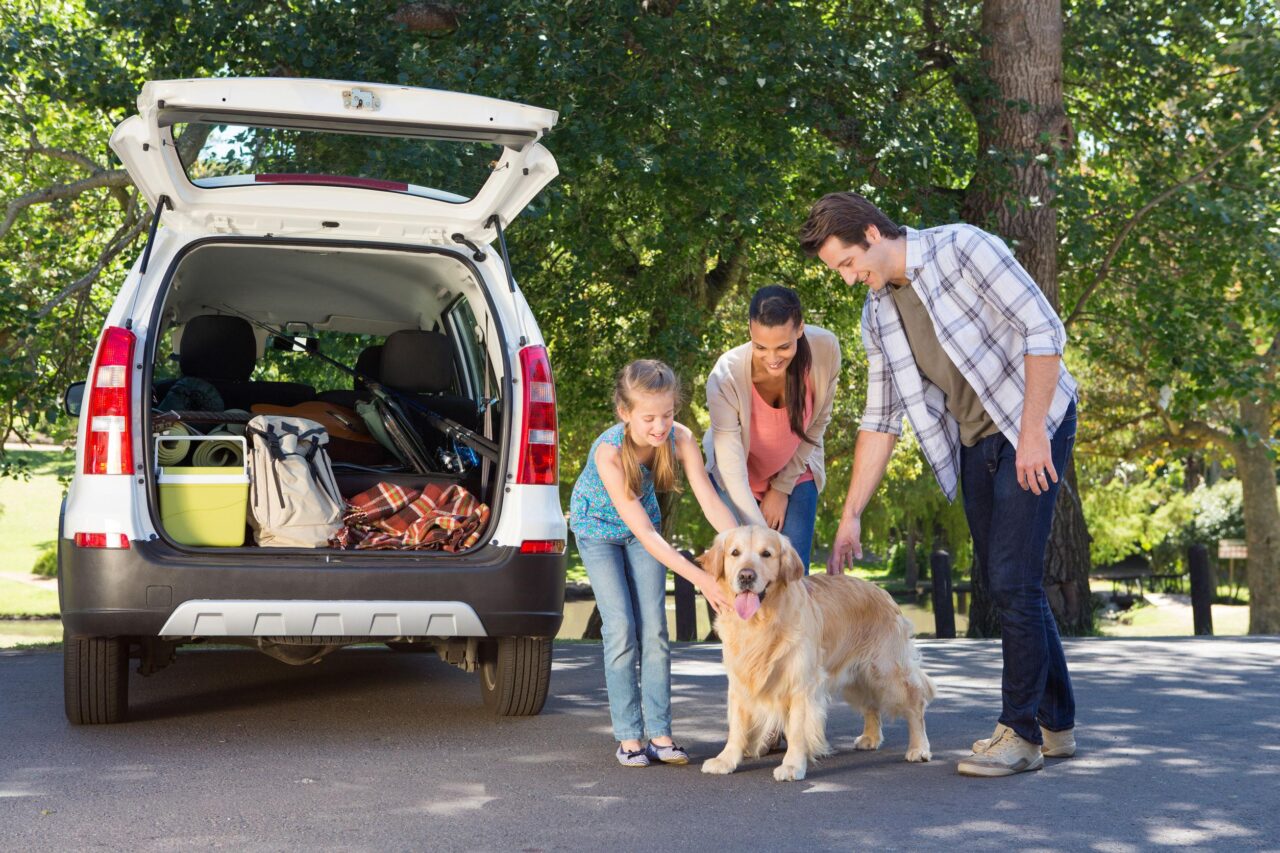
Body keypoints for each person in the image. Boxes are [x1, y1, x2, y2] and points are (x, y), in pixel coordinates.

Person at [799, 192, 1079, 778]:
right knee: (1011, 579)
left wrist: (1031, 436)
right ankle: (1057, 724)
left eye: (849, 263)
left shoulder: (963, 248)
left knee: (1011, 580)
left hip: (1033, 420)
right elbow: (881, 419)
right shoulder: (878, 312)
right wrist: (851, 514)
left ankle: (1021, 735)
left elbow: (1043, 328)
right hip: (975, 442)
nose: (849, 280)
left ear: (874, 233)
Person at [569, 359, 737, 768]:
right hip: (598, 531)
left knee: (656, 628)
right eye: (649, 418)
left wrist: (740, 549)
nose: (660, 426)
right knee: (622, 628)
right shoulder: (610, 453)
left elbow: (708, 497)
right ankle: (629, 737)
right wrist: (703, 580)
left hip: (644, 527)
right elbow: (644, 534)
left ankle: (660, 735)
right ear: (624, 413)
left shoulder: (680, 438)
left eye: (667, 414)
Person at [704, 285, 842, 572]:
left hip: (797, 468)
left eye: (783, 347)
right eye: (760, 347)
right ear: (750, 332)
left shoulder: (825, 348)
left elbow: (817, 424)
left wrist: (781, 488)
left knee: (791, 574)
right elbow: (731, 467)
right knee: (745, 571)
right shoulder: (726, 375)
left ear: (800, 328)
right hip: (738, 478)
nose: (772, 358)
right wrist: (763, 537)